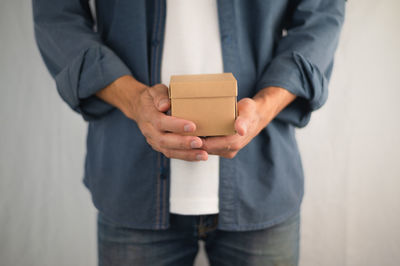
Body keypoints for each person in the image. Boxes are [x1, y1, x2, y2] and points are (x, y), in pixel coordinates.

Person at [33, 0, 345, 265]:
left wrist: (264, 107)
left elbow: (320, 15)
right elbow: (56, 15)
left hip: (260, 179)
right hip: (130, 178)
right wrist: (132, 100)